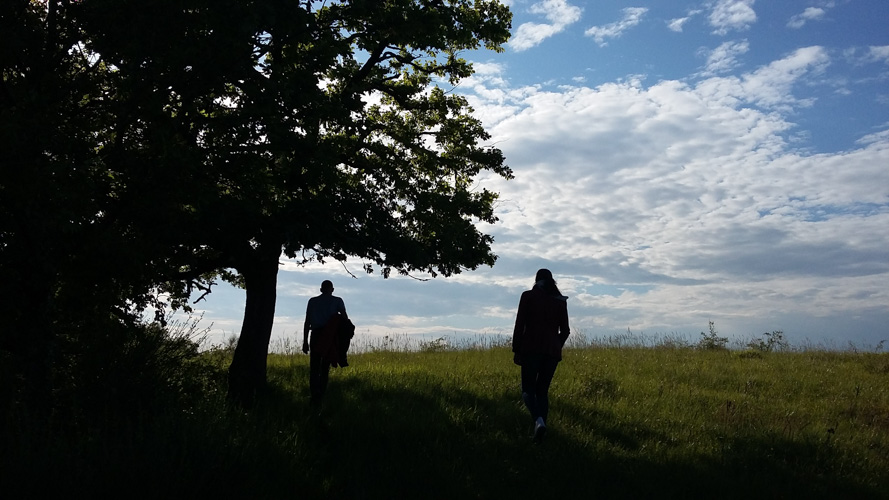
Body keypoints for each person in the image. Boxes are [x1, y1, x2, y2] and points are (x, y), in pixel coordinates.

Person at [512, 269, 570, 442]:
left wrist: (517, 349)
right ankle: (541, 433)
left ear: (536, 280)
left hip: (531, 348)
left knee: (527, 390)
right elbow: (565, 331)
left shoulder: (528, 296)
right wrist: (556, 345)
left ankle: (538, 421)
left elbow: (520, 324)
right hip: (552, 352)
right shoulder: (560, 301)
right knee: (542, 392)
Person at [303, 280, 349, 405]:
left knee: (314, 366)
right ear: (332, 289)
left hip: (316, 334)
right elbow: (345, 319)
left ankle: (315, 393)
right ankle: (321, 393)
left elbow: (307, 322)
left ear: (321, 289)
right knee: (325, 367)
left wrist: (305, 341)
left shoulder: (312, 301)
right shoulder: (337, 301)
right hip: (329, 336)